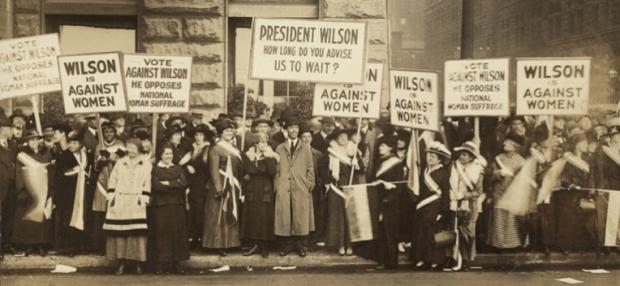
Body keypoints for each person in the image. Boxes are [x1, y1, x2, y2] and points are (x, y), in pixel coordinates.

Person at [103, 138, 152, 275]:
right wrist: (111, 195)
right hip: (121, 200)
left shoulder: (146, 164)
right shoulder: (120, 163)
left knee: (136, 234)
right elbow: (113, 180)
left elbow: (147, 182)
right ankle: (121, 264)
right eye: (128, 147)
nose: (130, 150)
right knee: (120, 234)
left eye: (133, 148)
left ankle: (138, 264)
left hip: (137, 201)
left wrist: (144, 197)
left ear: (139, 149)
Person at [274, 116, 315, 257]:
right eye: (291, 127)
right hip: (284, 186)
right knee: (285, 216)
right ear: (286, 130)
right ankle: (286, 245)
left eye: (296, 128)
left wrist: (308, 185)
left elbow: (310, 169)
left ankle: (301, 246)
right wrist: (277, 185)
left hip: (301, 187)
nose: (294, 130)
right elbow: (276, 169)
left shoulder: (305, 148)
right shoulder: (280, 148)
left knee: (300, 216)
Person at [202, 119, 242, 256]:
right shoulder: (215, 148)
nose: (229, 133)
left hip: (232, 184)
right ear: (220, 133)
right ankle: (217, 244)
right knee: (218, 214)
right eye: (226, 131)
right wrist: (219, 189)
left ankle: (231, 242)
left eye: (231, 130)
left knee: (230, 211)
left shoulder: (235, 149)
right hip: (219, 184)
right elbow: (213, 170)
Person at [10, 130, 53, 256]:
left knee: (42, 218)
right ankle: (28, 245)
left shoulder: (47, 154)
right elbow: (19, 173)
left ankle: (41, 244)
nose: (34, 142)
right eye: (31, 140)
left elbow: (50, 172)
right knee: (28, 218)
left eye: (36, 139)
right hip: (28, 190)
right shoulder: (22, 155)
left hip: (43, 189)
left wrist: (50, 189)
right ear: (27, 142)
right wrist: (22, 190)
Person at [412, 141, 452, 270]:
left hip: (435, 207)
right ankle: (421, 258)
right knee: (420, 233)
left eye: (433, 157)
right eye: (429, 156)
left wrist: (443, 211)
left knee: (432, 234)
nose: (429, 158)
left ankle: (434, 259)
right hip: (423, 207)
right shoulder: (424, 171)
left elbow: (445, 193)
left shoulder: (443, 173)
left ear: (439, 159)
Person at [149, 144, 189, 274]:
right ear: (161, 155)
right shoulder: (155, 169)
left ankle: (176, 263)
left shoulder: (177, 168)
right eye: (166, 154)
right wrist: (174, 184)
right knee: (162, 234)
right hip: (161, 206)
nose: (168, 156)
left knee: (177, 233)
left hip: (176, 205)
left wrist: (168, 183)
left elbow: (183, 183)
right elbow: (156, 186)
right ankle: (161, 263)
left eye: (170, 154)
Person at [370, 136, 406, 269]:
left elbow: (400, 185)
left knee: (391, 232)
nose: (380, 148)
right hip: (378, 200)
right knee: (381, 232)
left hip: (392, 203)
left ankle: (392, 261)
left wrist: (389, 198)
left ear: (390, 148)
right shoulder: (379, 161)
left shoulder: (397, 164)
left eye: (383, 146)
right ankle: (382, 260)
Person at [555, 133, 595, 253]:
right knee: (568, 219)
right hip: (570, 193)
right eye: (583, 143)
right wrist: (570, 185)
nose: (586, 145)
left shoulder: (587, 159)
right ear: (577, 145)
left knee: (581, 219)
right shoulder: (568, 159)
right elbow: (562, 176)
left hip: (582, 192)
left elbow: (590, 177)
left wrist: (590, 191)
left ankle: (578, 245)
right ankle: (565, 246)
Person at [325, 128, 362, 255]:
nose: (343, 139)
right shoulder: (331, 153)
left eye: (345, 136)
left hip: (351, 186)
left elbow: (362, 169)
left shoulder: (354, 151)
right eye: (340, 137)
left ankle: (350, 245)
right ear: (336, 139)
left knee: (349, 216)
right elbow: (327, 171)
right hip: (336, 187)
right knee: (338, 217)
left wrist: (356, 163)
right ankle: (340, 244)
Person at [486, 132, 526, 251]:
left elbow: (524, 179)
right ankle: (498, 245)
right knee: (499, 218)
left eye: (507, 142)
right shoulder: (499, 158)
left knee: (511, 219)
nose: (504, 143)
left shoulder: (521, 160)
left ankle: (513, 245)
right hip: (499, 192)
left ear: (514, 145)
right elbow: (490, 175)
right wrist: (498, 173)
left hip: (513, 193)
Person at [449, 141, 485, 271]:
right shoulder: (454, 167)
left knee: (467, 233)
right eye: (461, 154)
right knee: (455, 231)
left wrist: (464, 195)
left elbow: (478, 192)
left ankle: (465, 261)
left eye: (465, 155)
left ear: (471, 157)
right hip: (454, 202)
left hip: (469, 206)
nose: (462, 157)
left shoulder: (478, 171)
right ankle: (455, 259)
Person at [241, 133, 278, 258]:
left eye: (265, 142)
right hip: (252, 189)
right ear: (255, 144)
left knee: (265, 216)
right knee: (253, 217)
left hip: (265, 189)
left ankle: (264, 246)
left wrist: (267, 158)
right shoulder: (248, 155)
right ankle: (255, 244)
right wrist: (261, 170)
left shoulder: (271, 156)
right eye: (261, 142)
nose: (264, 145)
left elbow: (272, 171)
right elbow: (247, 169)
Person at [92, 122, 126, 255]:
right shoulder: (99, 145)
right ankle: (101, 246)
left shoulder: (120, 144)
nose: (109, 134)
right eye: (106, 132)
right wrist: (103, 160)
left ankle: (115, 246)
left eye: (111, 132)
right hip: (102, 181)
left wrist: (112, 158)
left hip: (117, 182)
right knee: (101, 214)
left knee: (115, 214)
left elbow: (123, 160)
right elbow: (96, 164)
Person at [54, 130, 88, 256]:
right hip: (68, 193)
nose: (73, 145)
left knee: (81, 216)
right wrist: (72, 172)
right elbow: (59, 175)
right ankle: (67, 248)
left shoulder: (85, 156)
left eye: (75, 143)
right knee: (68, 218)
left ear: (80, 144)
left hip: (82, 191)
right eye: (71, 143)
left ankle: (79, 245)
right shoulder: (63, 156)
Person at [186, 124, 213, 249]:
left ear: (205, 136)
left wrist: (194, 167)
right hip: (192, 182)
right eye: (196, 135)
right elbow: (185, 163)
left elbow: (207, 165)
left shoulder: (207, 148)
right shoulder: (192, 148)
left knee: (201, 210)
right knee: (193, 210)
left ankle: (201, 238)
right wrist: (187, 167)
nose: (198, 137)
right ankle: (193, 237)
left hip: (202, 182)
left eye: (201, 135)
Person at [593, 124, 620, 250]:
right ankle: (606, 245)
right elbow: (599, 171)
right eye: (614, 135)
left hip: (618, 185)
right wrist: (601, 187)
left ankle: (614, 242)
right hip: (608, 186)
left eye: (618, 135)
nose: (617, 138)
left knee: (616, 215)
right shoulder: (603, 150)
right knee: (606, 216)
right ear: (609, 137)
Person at [300, 126, 327, 251]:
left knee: (315, 214)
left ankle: (313, 241)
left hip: (315, 189)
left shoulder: (318, 154)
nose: (306, 139)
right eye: (304, 137)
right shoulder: (297, 153)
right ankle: (303, 241)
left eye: (308, 137)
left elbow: (322, 173)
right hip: (301, 188)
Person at [0, 117, 17, 259]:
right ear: (3, 130)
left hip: (12, 186)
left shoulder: (13, 145)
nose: (13, 131)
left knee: (9, 216)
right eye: (10, 128)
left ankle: (5, 243)